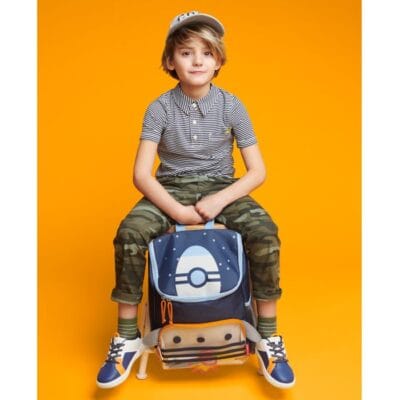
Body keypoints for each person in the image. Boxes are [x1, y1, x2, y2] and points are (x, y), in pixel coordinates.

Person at [96, 11, 295, 390]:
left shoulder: (232, 106)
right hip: (170, 187)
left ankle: (269, 337)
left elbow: (257, 172)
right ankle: (126, 337)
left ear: (219, 60)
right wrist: (176, 211)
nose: (198, 61)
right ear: (171, 61)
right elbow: (142, 174)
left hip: (221, 187)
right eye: (186, 53)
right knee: (129, 233)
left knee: (265, 233)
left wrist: (220, 200)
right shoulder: (159, 108)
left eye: (207, 53)